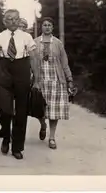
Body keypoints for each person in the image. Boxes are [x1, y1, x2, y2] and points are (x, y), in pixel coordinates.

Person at [0, 9, 40, 160]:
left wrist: (36, 80)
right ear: (4, 21)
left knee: (21, 112)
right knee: (5, 109)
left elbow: (34, 59)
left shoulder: (27, 37)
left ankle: (17, 147)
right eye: (10, 19)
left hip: (22, 70)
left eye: (16, 19)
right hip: (4, 71)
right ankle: (6, 136)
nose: (13, 22)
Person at [34, 17, 77, 149]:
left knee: (54, 110)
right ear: (41, 27)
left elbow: (64, 63)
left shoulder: (58, 43)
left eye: (49, 25)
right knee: (39, 109)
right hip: (41, 81)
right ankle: (43, 125)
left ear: (52, 28)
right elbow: (31, 62)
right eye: (45, 25)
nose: (47, 27)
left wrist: (69, 80)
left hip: (56, 81)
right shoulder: (35, 42)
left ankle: (52, 137)